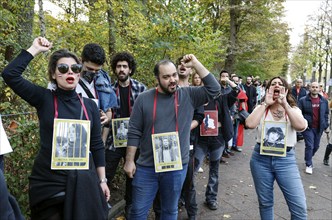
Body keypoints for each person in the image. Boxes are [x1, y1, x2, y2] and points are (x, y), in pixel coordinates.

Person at [2, 37, 110, 219]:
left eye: (75, 69)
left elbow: (97, 145)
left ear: (79, 73)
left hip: (83, 181)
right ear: (53, 74)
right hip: (49, 183)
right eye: (63, 68)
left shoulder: (90, 106)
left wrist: (103, 180)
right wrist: (34, 49)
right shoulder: (44, 98)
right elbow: (10, 74)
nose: (70, 72)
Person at [123, 54, 220, 219]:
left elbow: (214, 89)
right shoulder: (143, 99)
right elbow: (134, 131)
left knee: (170, 211)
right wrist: (130, 160)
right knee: (138, 212)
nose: (172, 80)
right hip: (147, 167)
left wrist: (195, 63)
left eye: (174, 75)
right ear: (157, 78)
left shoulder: (188, 95)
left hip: (176, 167)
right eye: (166, 77)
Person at [245, 76, 308, 220]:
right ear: (268, 90)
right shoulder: (261, 108)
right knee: (265, 203)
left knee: (299, 208)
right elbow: (249, 124)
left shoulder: (293, 109)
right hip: (260, 160)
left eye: (280, 84)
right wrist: (265, 104)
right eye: (273, 84)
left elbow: (301, 126)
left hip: (286, 161)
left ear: (285, 90)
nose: (277, 86)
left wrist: (285, 104)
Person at [105, 51, 147, 217]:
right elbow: (105, 118)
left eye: (125, 66)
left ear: (130, 69)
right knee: (106, 173)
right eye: (118, 66)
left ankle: (130, 206)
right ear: (115, 69)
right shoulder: (108, 90)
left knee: (133, 176)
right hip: (113, 141)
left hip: (134, 141)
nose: (121, 69)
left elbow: (147, 115)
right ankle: (103, 204)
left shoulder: (141, 89)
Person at [194, 76, 239, 210]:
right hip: (200, 140)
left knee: (214, 170)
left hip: (217, 140)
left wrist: (228, 80)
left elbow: (236, 92)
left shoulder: (222, 99)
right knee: (193, 169)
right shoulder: (197, 99)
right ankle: (186, 198)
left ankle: (211, 198)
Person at [298, 82, 329, 174]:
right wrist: (302, 124)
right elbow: (299, 113)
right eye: (313, 87)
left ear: (319, 89)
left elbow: (326, 114)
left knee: (316, 146)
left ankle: (308, 157)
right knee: (310, 145)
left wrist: (326, 126)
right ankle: (309, 164)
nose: (315, 88)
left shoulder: (324, 101)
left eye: (316, 87)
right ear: (309, 88)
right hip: (308, 128)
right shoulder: (303, 100)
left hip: (319, 128)